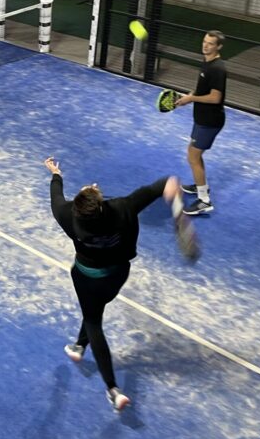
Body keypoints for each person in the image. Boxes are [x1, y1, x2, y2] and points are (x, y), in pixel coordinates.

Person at [46, 156, 180, 412]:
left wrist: (56, 174)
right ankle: (79, 346)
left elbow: (56, 198)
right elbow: (155, 188)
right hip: (116, 276)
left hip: (87, 278)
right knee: (94, 309)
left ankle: (113, 389)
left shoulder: (67, 216)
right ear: (99, 205)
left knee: (93, 320)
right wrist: (169, 184)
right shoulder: (122, 208)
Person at [173, 30, 227, 215]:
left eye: (210, 43)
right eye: (205, 41)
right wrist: (189, 96)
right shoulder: (207, 61)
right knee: (194, 154)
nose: (205, 45)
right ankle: (200, 185)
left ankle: (204, 201)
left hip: (210, 121)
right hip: (202, 118)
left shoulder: (217, 68)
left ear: (219, 47)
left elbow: (215, 97)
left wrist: (191, 99)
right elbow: (203, 90)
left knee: (193, 156)